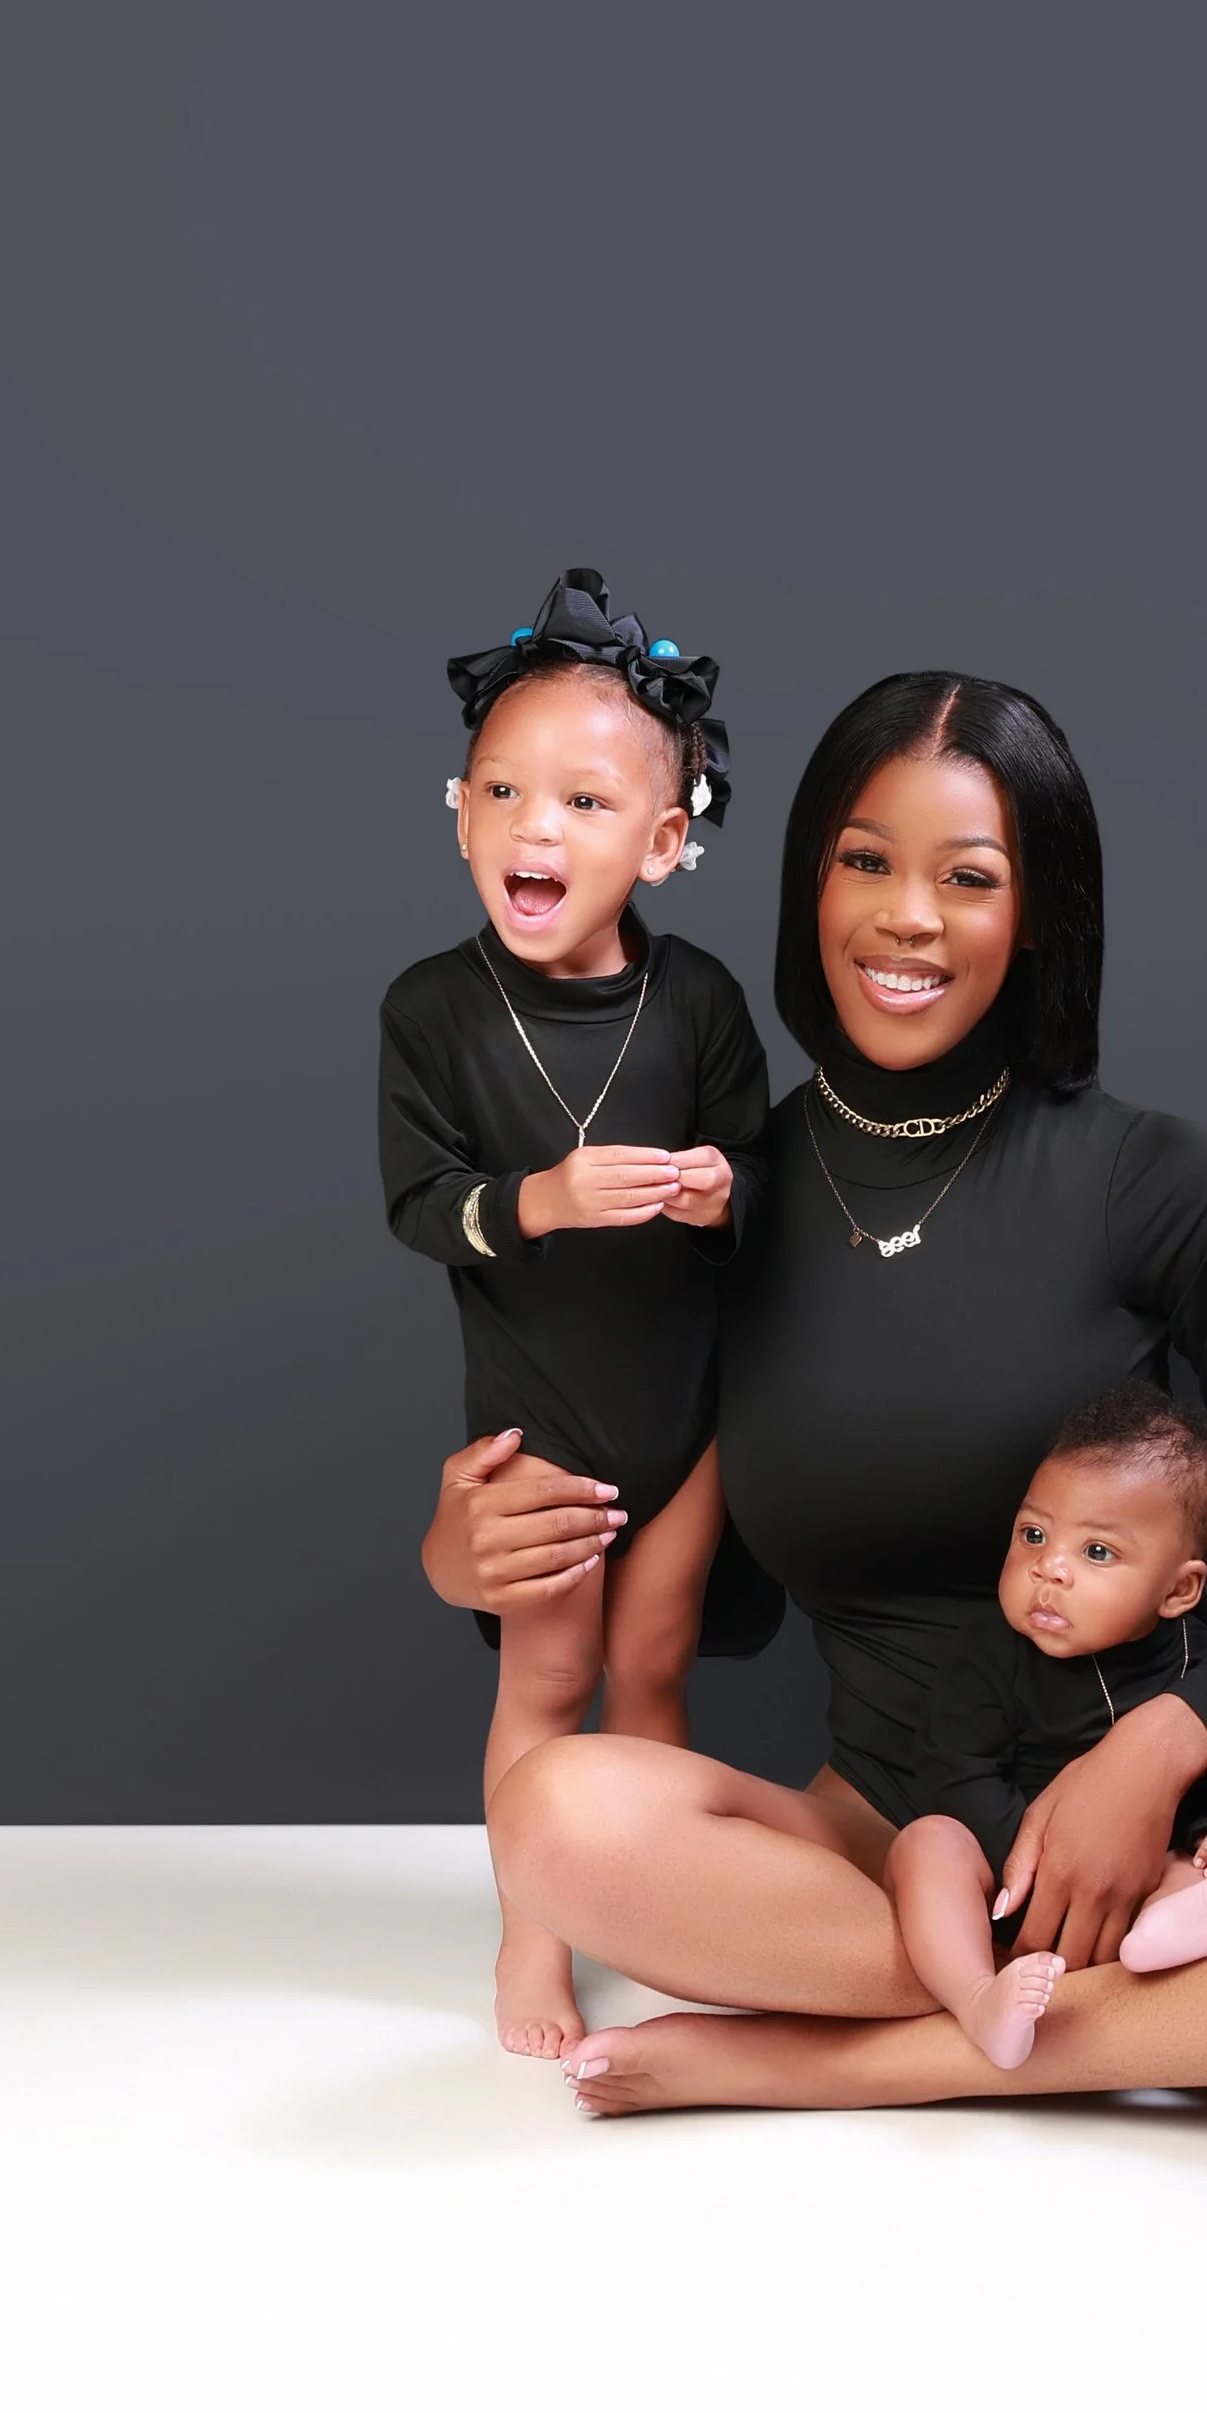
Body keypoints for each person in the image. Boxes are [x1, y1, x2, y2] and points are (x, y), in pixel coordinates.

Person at [424, 666, 1207, 2116]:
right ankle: (1193, 2019)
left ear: (1037, 912)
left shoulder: (1158, 1184)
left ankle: (841, 2065)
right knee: (557, 1816)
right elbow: (635, 1505)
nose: (907, 917)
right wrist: (460, 1553)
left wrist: (1146, 1762)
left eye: (968, 877)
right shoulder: (725, 1198)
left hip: (1164, 1840)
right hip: (886, 1848)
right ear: (809, 886)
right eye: (866, 862)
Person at [378, 570, 770, 2057]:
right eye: (504, 791)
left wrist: (716, 1193)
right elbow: (421, 1205)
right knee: (547, 1678)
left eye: (586, 803)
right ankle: (530, 1937)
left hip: (690, 1412)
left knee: (653, 1668)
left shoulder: (702, 1000)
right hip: (543, 1415)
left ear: (665, 843)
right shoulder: (431, 1009)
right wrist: (540, 1198)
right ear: (460, 812)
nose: (535, 827)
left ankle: (653, 1911)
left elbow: (765, 1185)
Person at [886, 1381, 1207, 2073]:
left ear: (1178, 1590)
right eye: (1033, 1535)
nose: (1049, 1568)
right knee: (925, 1843)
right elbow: (954, 1768)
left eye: (1097, 1552)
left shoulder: (1203, 1668)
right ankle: (979, 1999)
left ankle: (1160, 1936)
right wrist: (1034, 1877)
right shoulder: (993, 1654)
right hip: (1008, 1883)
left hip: (1141, 1878)